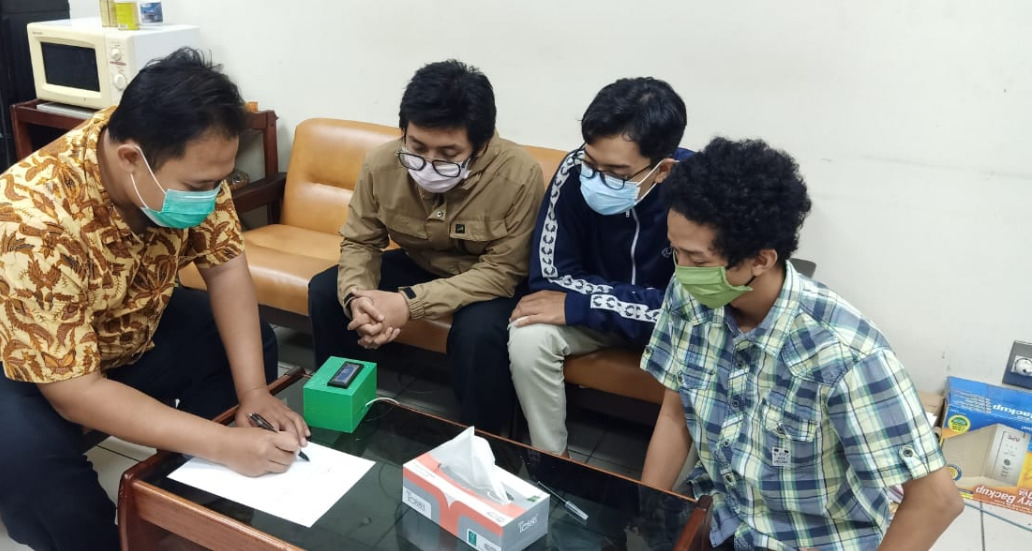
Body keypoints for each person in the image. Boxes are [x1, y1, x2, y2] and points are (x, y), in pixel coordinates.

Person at [0, 48, 309, 551]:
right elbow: (75, 391)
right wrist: (222, 442)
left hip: (108, 314)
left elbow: (224, 268)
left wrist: (255, 394)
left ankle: (188, 503)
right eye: (200, 186)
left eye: (218, 182)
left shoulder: (178, 150)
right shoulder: (30, 218)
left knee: (242, 343)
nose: (212, 196)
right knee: (31, 467)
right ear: (130, 159)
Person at [639, 137, 962, 550]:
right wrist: (645, 517)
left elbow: (937, 500)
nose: (681, 271)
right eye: (675, 252)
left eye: (697, 260)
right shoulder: (690, 298)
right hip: (721, 516)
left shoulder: (845, 354)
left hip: (810, 540)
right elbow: (674, 415)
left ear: (761, 259)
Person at [307, 60, 544, 434]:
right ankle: (340, 414)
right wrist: (358, 298)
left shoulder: (519, 174)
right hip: (422, 263)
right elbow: (361, 240)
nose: (428, 164)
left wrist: (407, 304)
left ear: (481, 145)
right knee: (327, 291)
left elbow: (502, 272)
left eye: (448, 155)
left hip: (486, 282)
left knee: (480, 333)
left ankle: (484, 441)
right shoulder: (381, 163)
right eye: (416, 147)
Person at [508, 77, 689, 456]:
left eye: (617, 173)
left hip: (673, 332)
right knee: (529, 334)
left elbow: (689, 310)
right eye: (592, 163)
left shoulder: (699, 191)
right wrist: (623, 305)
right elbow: (551, 276)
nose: (595, 179)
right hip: (602, 319)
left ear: (663, 170)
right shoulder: (574, 170)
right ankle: (552, 463)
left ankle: (677, 491)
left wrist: (587, 303)